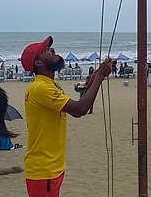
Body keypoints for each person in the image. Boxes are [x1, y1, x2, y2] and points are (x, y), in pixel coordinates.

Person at [21, 36, 112, 196]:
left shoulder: (50, 85)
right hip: (43, 170)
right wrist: (100, 77)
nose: (52, 50)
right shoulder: (41, 88)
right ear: (38, 63)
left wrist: (93, 79)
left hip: (52, 167)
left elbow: (76, 111)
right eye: (46, 50)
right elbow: (81, 109)